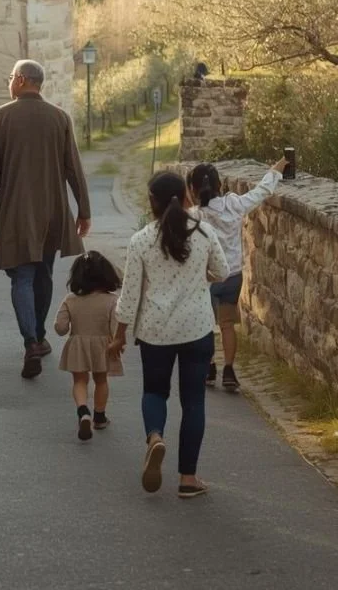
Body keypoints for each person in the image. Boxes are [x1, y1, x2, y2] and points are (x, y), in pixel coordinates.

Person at [109, 172, 228, 499]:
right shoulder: (203, 232)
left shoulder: (142, 240)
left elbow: (130, 296)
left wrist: (119, 335)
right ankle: (188, 479)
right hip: (197, 327)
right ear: (187, 196)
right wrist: (199, 278)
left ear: (153, 203)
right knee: (193, 403)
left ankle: (155, 437)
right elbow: (222, 271)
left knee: (155, 392)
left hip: (155, 331)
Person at [0, 59, 92, 379]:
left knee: (22, 277)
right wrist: (83, 210)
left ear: (22, 80)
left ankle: (30, 340)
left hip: (15, 211)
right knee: (43, 273)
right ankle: (40, 335)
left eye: (11, 77)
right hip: (52, 210)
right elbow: (74, 168)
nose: (9, 82)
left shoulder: (0, 118)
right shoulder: (60, 118)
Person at [187, 159, 287, 391]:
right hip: (232, 275)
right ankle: (229, 370)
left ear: (192, 189)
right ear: (219, 184)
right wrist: (275, 171)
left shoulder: (194, 216)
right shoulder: (233, 205)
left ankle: (210, 366)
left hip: (207, 279)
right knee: (227, 325)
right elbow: (260, 192)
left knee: (206, 326)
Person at [54, 251, 123, 441]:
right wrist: (118, 342)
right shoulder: (112, 300)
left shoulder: (70, 300)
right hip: (103, 345)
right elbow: (115, 327)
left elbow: (60, 328)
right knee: (101, 380)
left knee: (79, 381)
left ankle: (83, 411)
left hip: (78, 344)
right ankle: (99, 416)